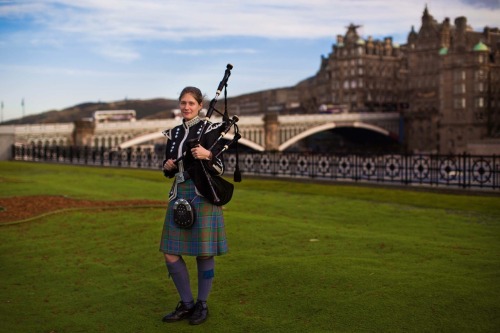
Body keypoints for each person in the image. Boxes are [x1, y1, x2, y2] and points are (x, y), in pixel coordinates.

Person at [159, 86, 228, 326]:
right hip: (179, 194)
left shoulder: (210, 129)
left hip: (203, 194)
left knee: (204, 251)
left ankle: (202, 304)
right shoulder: (174, 133)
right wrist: (167, 167)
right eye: (183, 103)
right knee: (170, 252)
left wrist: (207, 155)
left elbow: (220, 168)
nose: (186, 107)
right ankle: (186, 303)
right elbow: (170, 170)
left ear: (200, 105)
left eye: (191, 103)